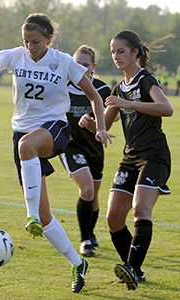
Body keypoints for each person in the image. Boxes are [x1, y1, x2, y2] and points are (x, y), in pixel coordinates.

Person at [0, 13, 113, 293]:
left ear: (48, 38)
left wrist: (101, 127)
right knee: (46, 216)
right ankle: (77, 263)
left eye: (35, 42)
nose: (30, 47)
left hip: (55, 127)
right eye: (26, 41)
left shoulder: (63, 61)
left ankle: (29, 215)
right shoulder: (15, 56)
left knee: (28, 148)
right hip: (21, 133)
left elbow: (94, 96)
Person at [79, 30, 173, 290]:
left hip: (154, 156)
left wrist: (128, 104)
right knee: (113, 218)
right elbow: (104, 126)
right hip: (130, 157)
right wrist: (90, 124)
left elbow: (167, 108)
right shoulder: (119, 88)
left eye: (121, 51)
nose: (116, 56)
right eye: (113, 51)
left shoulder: (146, 80)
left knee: (141, 209)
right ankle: (135, 270)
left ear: (135, 52)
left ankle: (131, 267)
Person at [60, 45, 111, 257]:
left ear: (93, 67)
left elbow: (111, 118)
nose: (80, 68)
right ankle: (84, 241)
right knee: (87, 190)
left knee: (94, 195)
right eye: (77, 64)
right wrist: (60, 130)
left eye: (85, 65)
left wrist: (96, 125)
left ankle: (90, 233)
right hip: (71, 146)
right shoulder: (61, 86)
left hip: (95, 147)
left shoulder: (102, 89)